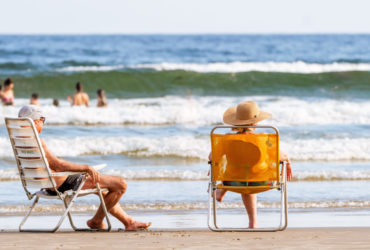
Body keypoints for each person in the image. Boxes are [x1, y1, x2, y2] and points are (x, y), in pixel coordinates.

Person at [18, 105, 151, 231]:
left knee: (104, 191)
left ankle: (129, 222)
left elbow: (53, 165)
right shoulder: (37, 141)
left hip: (46, 185)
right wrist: (85, 167)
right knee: (120, 185)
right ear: (34, 121)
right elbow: (58, 165)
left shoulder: (20, 142)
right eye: (43, 120)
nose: (43, 123)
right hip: (63, 184)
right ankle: (96, 221)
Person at [209, 101, 292, 229]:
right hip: (263, 181)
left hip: (232, 182)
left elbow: (211, 158)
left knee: (242, 172)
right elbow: (282, 156)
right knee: (253, 171)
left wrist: (214, 168)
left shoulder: (227, 140)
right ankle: (253, 222)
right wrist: (288, 163)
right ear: (254, 123)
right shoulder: (264, 139)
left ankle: (221, 189)